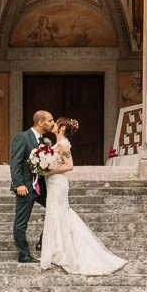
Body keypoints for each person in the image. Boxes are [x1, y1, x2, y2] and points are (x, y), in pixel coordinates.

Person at [40, 117, 127, 275]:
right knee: (55, 214)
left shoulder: (64, 144)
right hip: (53, 183)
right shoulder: (59, 143)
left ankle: (63, 250)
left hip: (58, 183)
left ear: (61, 128)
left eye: (56, 123)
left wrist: (47, 171)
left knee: (58, 213)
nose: (53, 124)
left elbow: (69, 165)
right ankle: (57, 247)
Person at [9, 109, 54, 262]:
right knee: (21, 222)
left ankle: (43, 241)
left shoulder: (44, 141)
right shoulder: (22, 138)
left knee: (58, 209)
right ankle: (24, 254)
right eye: (50, 120)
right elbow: (15, 163)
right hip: (26, 187)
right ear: (40, 122)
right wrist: (19, 184)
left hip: (40, 187)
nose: (52, 123)